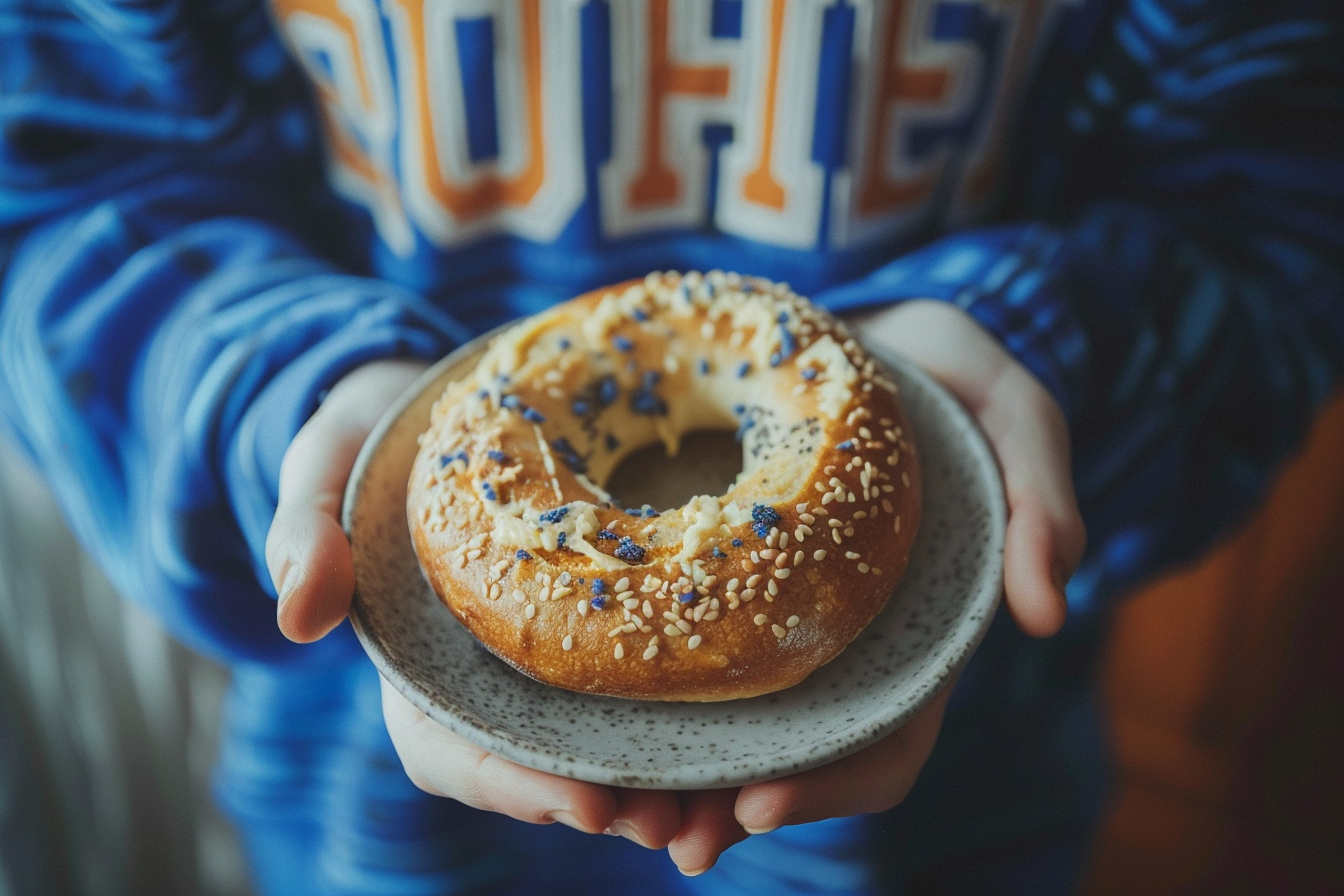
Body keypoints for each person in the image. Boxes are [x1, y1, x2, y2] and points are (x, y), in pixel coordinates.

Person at [1, 0, 1341, 892]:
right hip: (376, 815)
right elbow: (71, 180)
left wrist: (1045, 343)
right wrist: (282, 389)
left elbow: (1273, 187)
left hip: (945, 821)